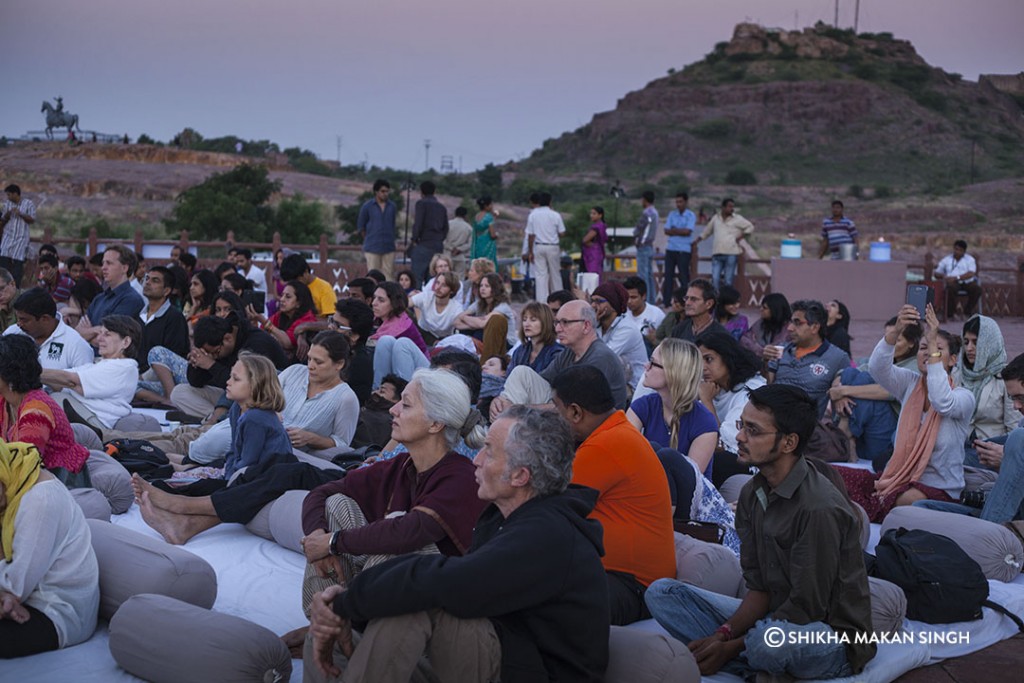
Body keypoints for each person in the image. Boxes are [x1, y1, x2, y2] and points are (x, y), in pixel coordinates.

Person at [304, 404, 610, 683]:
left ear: (519, 475)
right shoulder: (499, 518)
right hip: (494, 656)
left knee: (415, 605)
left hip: (530, 672)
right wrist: (336, 609)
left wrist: (348, 603)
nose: (475, 459)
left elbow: (452, 583)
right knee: (325, 629)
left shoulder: (549, 534)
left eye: (488, 451)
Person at [646, 384, 876, 679]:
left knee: (768, 643)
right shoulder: (752, 494)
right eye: (742, 425)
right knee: (662, 593)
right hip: (773, 617)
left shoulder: (819, 508)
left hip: (830, 636)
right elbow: (759, 588)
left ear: (789, 443)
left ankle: (748, 660)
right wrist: (723, 634)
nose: (739, 437)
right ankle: (754, 665)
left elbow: (808, 609)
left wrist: (730, 647)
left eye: (753, 431)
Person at [551, 366, 674, 625]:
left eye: (555, 408)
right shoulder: (615, 432)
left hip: (634, 587)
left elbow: (547, 505)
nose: (553, 416)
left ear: (574, 412)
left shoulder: (605, 444)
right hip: (628, 580)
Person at [838, 304, 972, 522]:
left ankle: (866, 508)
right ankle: (866, 506)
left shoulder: (963, 397)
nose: (928, 353)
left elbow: (941, 400)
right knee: (833, 476)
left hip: (939, 491)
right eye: (922, 348)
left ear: (953, 359)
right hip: (899, 479)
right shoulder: (910, 383)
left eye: (937, 349)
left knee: (907, 500)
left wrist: (932, 339)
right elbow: (878, 368)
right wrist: (895, 330)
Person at [0, 442, 99, 658]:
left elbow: (15, 586)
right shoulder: (12, 479)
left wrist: (8, 596)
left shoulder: (40, 500)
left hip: (56, 612)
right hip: (23, 598)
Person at [916, 353, 1024, 523]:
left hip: (1000, 522)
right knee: (920, 508)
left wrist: (1009, 461)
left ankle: (989, 536)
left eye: (1020, 398)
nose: (1016, 406)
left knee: (1018, 438)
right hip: (1000, 508)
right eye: (1013, 399)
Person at [492, 300, 628, 416]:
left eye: (565, 322)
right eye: (557, 322)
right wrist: (501, 400)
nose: (557, 329)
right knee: (521, 373)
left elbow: (572, 410)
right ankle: (502, 426)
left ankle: (505, 433)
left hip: (591, 428)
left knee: (518, 410)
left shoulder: (600, 358)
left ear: (586, 326)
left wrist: (519, 409)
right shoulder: (569, 352)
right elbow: (540, 381)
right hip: (569, 413)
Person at [829, 318, 922, 470]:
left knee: (866, 381)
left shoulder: (914, 366)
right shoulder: (884, 360)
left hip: (888, 436)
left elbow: (889, 391)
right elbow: (842, 374)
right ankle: (848, 434)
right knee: (851, 372)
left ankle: (846, 431)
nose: (889, 344)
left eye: (896, 340)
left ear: (911, 343)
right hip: (866, 432)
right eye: (887, 339)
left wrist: (843, 391)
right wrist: (840, 395)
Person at [0, 335, 90, 482]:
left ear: (9, 374)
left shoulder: (36, 411)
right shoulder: (5, 400)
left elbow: (25, 464)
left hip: (57, 480)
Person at [628, 338, 719, 477]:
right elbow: (623, 452)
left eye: (653, 363)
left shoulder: (705, 422)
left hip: (685, 495)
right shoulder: (643, 406)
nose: (646, 366)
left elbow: (688, 482)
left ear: (673, 372)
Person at [170, 313, 287, 420]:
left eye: (215, 352)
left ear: (227, 339)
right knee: (179, 392)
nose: (213, 356)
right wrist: (197, 362)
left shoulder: (256, 343)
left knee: (234, 390)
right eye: (207, 353)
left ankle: (218, 420)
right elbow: (196, 382)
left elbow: (249, 386)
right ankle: (218, 419)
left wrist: (210, 364)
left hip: (260, 400)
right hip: (229, 395)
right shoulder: (217, 343)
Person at [42, 314, 141, 431]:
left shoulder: (124, 366)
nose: (99, 338)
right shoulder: (97, 365)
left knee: (51, 399)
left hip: (95, 425)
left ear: (125, 342)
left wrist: (29, 371)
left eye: (107, 334)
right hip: (82, 415)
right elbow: (60, 383)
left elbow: (71, 381)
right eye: (100, 333)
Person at [695, 331, 767, 477]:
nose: (702, 368)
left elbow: (721, 445)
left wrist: (707, 401)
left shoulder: (752, 390)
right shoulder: (712, 387)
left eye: (709, 359)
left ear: (728, 358)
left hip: (745, 468)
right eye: (699, 361)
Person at [763, 299, 850, 419]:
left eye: (797, 323)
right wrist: (765, 362)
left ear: (814, 327)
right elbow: (766, 385)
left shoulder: (838, 358)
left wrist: (842, 393)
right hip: (772, 417)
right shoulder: (781, 350)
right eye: (791, 322)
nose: (790, 328)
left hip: (806, 425)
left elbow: (843, 387)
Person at [958, 314, 1021, 451]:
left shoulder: (1005, 378)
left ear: (990, 343)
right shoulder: (958, 373)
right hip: (959, 445)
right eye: (966, 342)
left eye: (976, 342)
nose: (969, 348)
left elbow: (1014, 427)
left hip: (991, 448)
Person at [133, 266, 190, 406]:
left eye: (155, 280)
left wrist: (142, 376)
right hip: (138, 378)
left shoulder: (174, 318)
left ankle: (169, 400)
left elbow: (172, 357)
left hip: (163, 381)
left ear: (167, 290)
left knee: (157, 353)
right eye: (147, 279)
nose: (147, 283)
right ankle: (160, 400)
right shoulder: (136, 317)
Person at [5, 288, 93, 371]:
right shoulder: (12, 333)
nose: (19, 324)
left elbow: (83, 383)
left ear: (45, 319)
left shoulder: (77, 345)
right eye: (18, 319)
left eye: (24, 320)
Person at [77, 245, 144, 345]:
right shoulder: (99, 299)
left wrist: (88, 334)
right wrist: (96, 329)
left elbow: (112, 341)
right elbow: (77, 331)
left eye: (109, 263)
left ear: (124, 268)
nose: (103, 267)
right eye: (103, 263)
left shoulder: (131, 299)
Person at [590, 281, 648, 392]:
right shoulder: (598, 324)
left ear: (613, 305)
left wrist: (590, 327)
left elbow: (601, 358)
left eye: (599, 301)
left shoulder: (626, 328)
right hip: (614, 380)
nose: (593, 305)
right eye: (592, 301)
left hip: (634, 388)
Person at [370, 282, 429, 386]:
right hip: (396, 375)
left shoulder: (402, 326)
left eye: (381, 300)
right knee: (385, 341)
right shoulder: (378, 321)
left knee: (401, 343)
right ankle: (379, 393)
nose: (374, 303)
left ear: (394, 304)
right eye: (374, 298)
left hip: (422, 375)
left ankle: (403, 396)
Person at [692, 198, 754, 290]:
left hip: (731, 253)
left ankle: (727, 302)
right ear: (723, 207)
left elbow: (750, 227)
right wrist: (696, 241)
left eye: (732, 207)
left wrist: (740, 237)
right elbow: (707, 231)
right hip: (717, 252)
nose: (731, 209)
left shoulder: (737, 218)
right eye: (729, 206)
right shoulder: (716, 218)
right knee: (715, 279)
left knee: (728, 280)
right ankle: (716, 301)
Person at [247, 280, 318, 358]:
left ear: (299, 303)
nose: (281, 299)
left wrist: (263, 321)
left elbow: (287, 343)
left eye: (288, 297)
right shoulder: (281, 315)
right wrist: (254, 321)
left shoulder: (307, 318)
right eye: (282, 295)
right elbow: (262, 333)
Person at [453, 272, 517, 358]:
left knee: (479, 333)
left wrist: (467, 320)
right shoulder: (479, 303)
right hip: (485, 334)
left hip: (506, 342)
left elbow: (484, 324)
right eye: (481, 286)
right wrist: (470, 320)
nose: (482, 289)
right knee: (464, 332)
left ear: (495, 288)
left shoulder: (502, 306)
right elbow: (457, 321)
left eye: (487, 286)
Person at [525, 192, 566, 303]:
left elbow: (530, 235)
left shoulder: (533, 215)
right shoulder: (555, 215)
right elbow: (562, 233)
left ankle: (542, 302)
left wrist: (530, 252)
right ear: (550, 202)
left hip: (538, 246)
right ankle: (558, 300)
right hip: (553, 246)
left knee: (540, 276)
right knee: (555, 275)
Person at [332, 299, 374, 406]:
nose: (330, 327)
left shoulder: (358, 363)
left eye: (338, 326)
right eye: (331, 321)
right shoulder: (324, 349)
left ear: (354, 335)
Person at [409, 180, 449, 286]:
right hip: (437, 246)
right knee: (433, 279)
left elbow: (418, 224)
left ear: (421, 192)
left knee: (416, 278)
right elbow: (446, 228)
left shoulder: (421, 204)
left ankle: (417, 301)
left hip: (423, 244)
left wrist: (414, 240)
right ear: (434, 191)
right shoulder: (441, 207)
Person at [357, 179, 397, 281]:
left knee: (389, 274)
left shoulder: (392, 206)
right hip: (372, 246)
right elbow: (361, 226)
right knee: (372, 275)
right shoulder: (367, 206)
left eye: (387, 191)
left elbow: (393, 224)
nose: (385, 194)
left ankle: (388, 295)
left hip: (388, 245)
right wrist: (369, 238)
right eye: (383, 191)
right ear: (376, 192)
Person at [508, 301, 563, 374]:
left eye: (533, 320)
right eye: (524, 320)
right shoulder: (520, 351)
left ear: (545, 322)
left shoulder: (556, 353)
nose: (527, 324)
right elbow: (509, 378)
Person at [934, 239, 981, 321]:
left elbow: (971, 273)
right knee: (950, 289)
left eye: (960, 250)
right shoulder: (947, 260)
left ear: (964, 251)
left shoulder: (970, 260)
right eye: (956, 249)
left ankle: (967, 312)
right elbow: (936, 273)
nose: (957, 252)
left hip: (967, 282)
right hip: (953, 282)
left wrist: (957, 277)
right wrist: (944, 276)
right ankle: (951, 314)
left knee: (977, 289)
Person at [662, 192, 696, 306]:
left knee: (684, 277)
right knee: (668, 276)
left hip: (684, 250)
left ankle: (686, 302)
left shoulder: (691, 215)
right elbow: (666, 230)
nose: (678, 204)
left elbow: (688, 232)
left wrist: (674, 230)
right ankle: (666, 302)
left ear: (686, 202)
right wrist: (680, 231)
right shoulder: (672, 214)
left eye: (680, 202)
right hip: (671, 248)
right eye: (677, 202)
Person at [409, 271, 462, 344]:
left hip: (444, 340)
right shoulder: (426, 296)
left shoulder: (456, 308)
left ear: (452, 291)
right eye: (437, 283)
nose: (438, 287)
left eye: (444, 285)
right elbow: (406, 303)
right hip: (422, 334)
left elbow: (460, 325)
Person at [671, 278, 728, 342]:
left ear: (709, 304)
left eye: (693, 299)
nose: (687, 303)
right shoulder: (679, 330)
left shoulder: (721, 335)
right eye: (686, 298)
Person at [0, 185, 36, 285]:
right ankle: (2, 285)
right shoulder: (7, 204)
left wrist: (20, 213)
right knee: (3, 262)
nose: (8, 197)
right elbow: (3, 220)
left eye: (9, 195)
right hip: (8, 237)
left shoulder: (28, 204)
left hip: (21, 238)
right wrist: (7, 214)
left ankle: (15, 288)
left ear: (16, 194)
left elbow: (32, 219)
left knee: (17, 265)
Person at [740, 292, 791, 357]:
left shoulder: (789, 327)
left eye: (764, 308)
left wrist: (768, 351)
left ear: (775, 310)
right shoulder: (760, 324)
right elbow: (745, 340)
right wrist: (761, 351)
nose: (761, 309)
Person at [623, 275, 665, 348]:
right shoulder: (622, 314)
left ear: (644, 296)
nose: (629, 301)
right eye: (627, 297)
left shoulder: (657, 314)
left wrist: (654, 340)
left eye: (633, 297)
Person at [634, 190, 659, 305]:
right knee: (649, 275)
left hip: (643, 246)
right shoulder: (655, 212)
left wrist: (635, 235)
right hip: (650, 245)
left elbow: (639, 228)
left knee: (642, 275)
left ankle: (645, 301)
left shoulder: (647, 213)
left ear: (644, 200)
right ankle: (651, 300)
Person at [443, 206, 473, 277]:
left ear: (455, 214)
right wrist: (459, 249)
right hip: (460, 256)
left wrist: (451, 248)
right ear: (465, 215)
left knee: (446, 276)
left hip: (447, 254)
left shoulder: (448, 224)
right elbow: (470, 244)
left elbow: (442, 240)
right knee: (459, 278)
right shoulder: (468, 228)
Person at [471, 196, 498, 268]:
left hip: (478, 244)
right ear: (486, 206)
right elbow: (492, 235)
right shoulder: (489, 217)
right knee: (488, 266)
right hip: (487, 245)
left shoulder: (477, 216)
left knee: (479, 266)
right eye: (491, 205)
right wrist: (497, 235)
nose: (492, 207)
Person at [580, 205, 608, 274]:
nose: (591, 215)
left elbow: (585, 240)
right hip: (599, 252)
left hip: (593, 254)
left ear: (600, 215)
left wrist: (592, 245)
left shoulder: (597, 227)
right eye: (591, 213)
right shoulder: (602, 226)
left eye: (594, 214)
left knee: (592, 274)